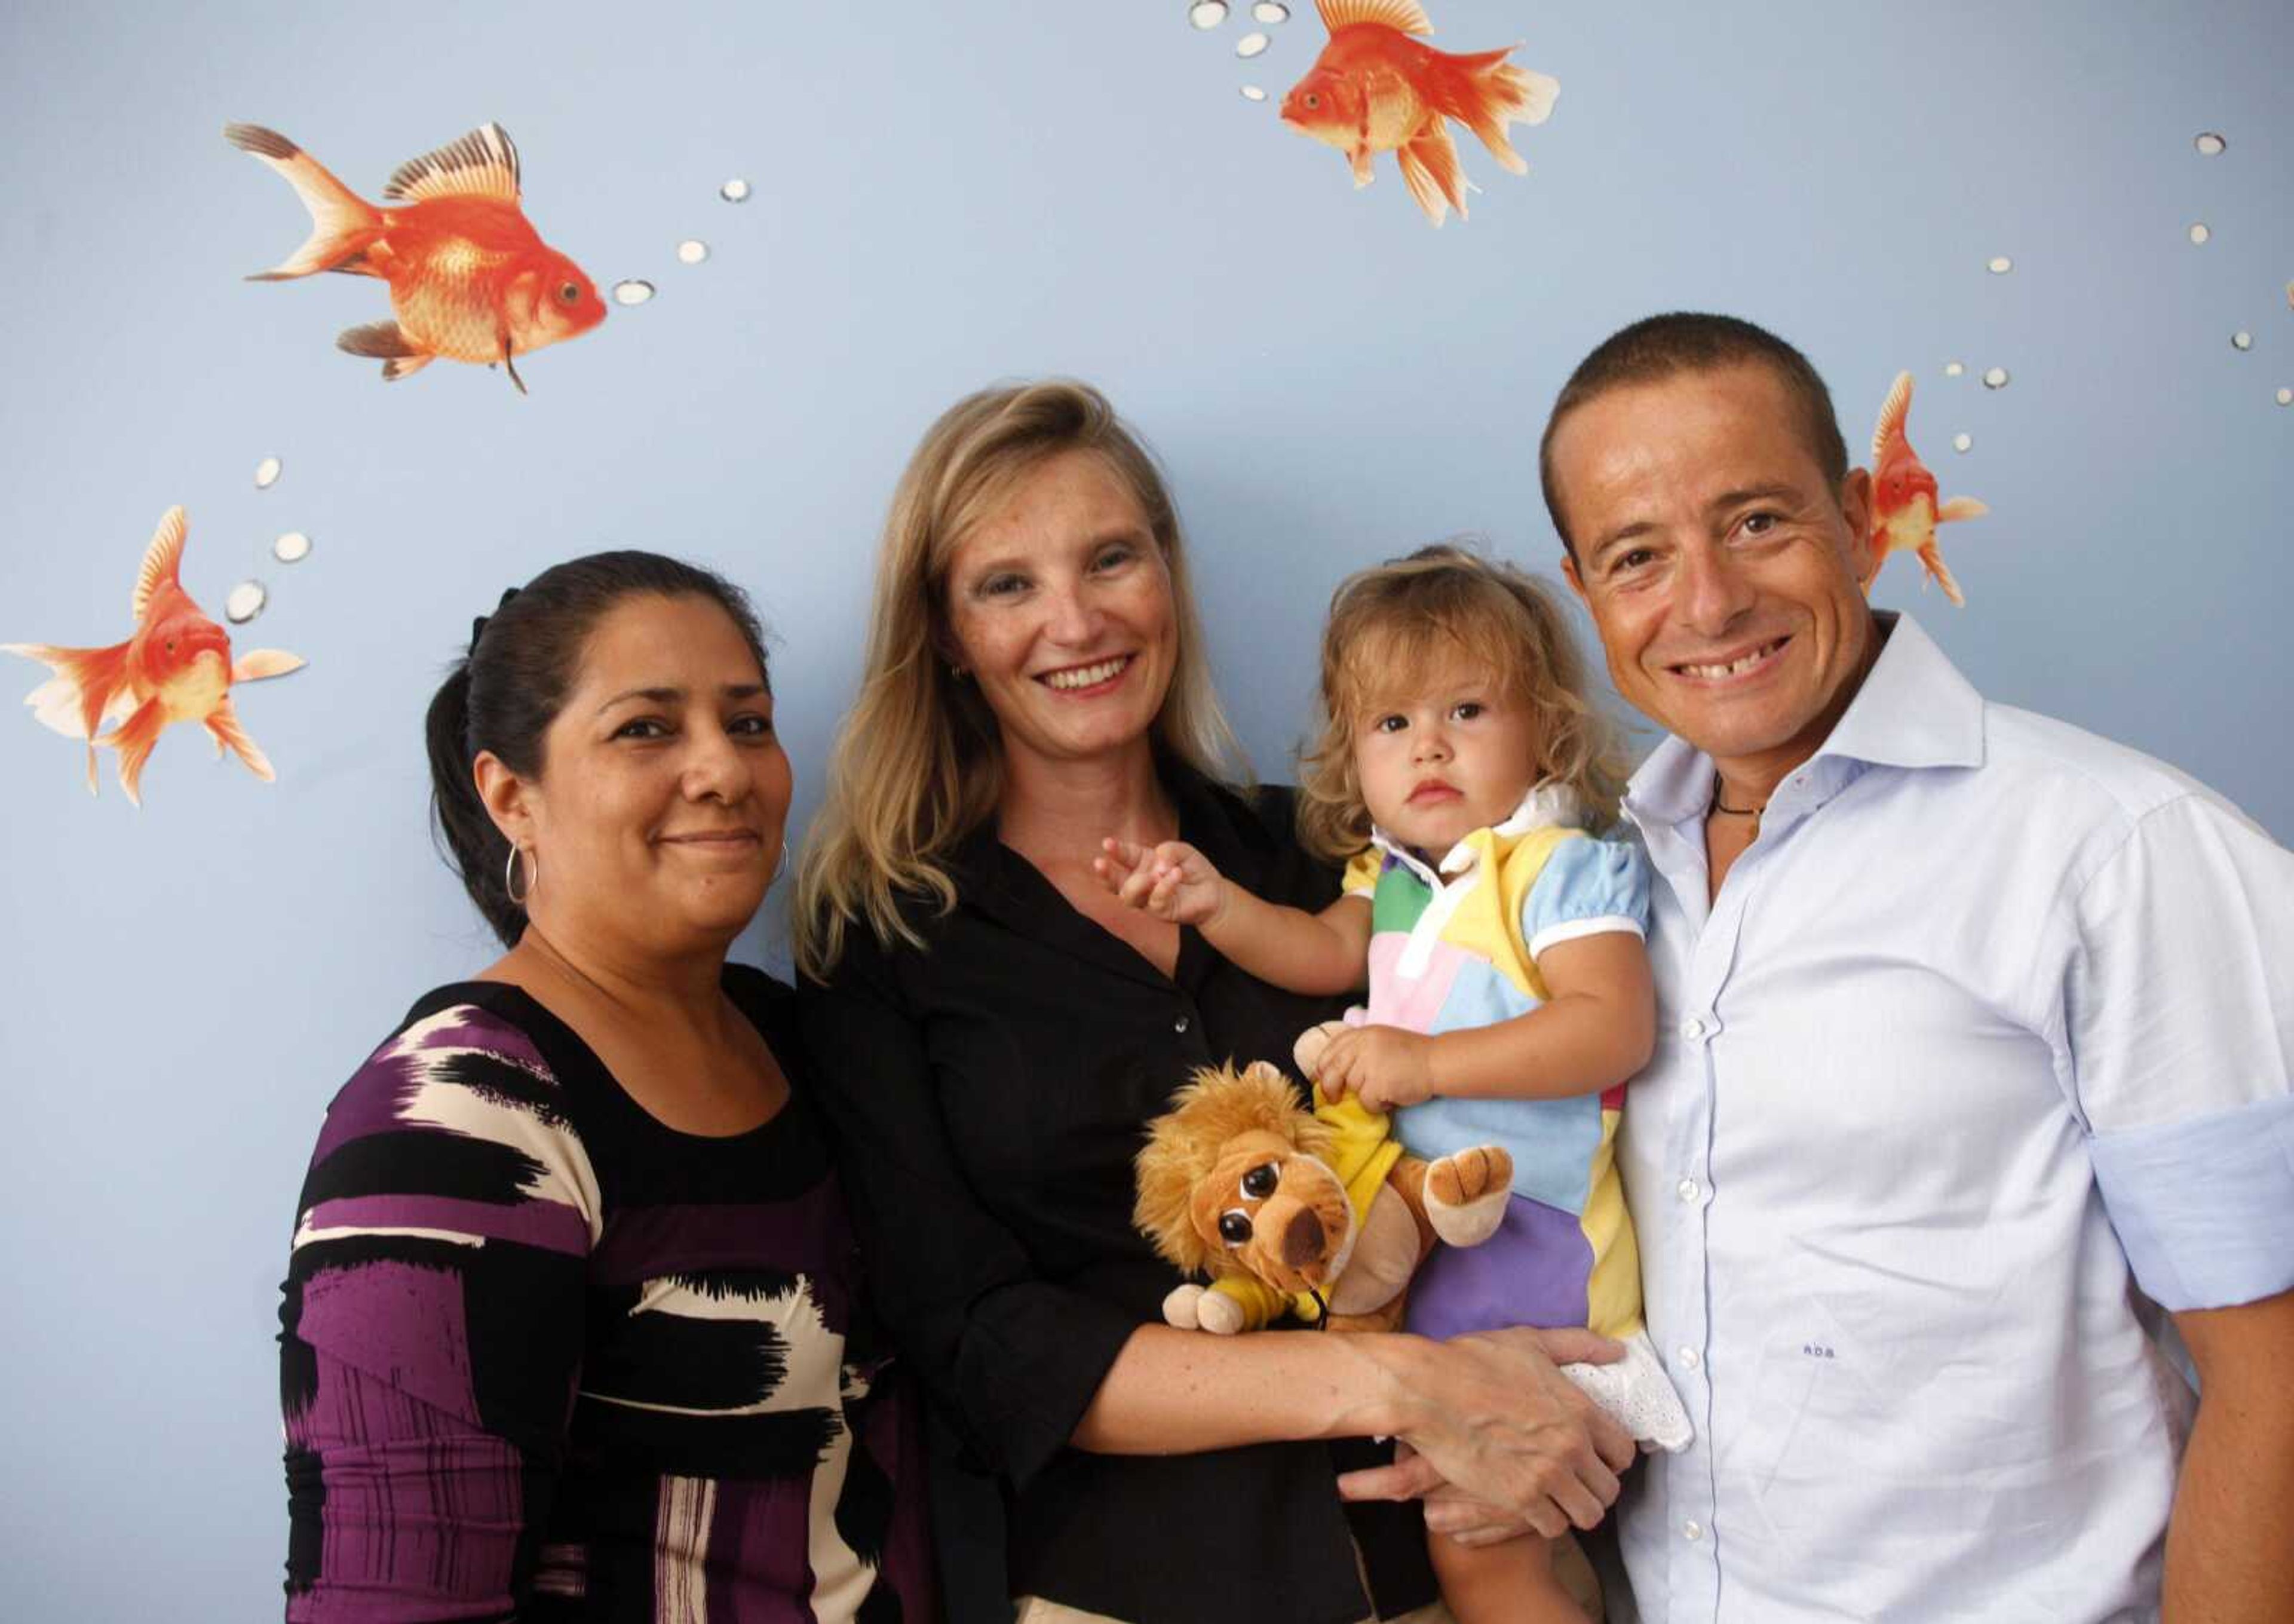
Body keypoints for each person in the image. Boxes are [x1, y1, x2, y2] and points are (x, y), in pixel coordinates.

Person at [1358, 312, 2294, 1622]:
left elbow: (2275, 1379)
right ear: (1585, 592)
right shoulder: (1592, 883)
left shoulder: (2120, 852)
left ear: (1859, 520)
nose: (1708, 600)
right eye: (1640, 555)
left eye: (1755, 522)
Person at [793, 381, 1639, 1624]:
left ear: (1169, 577)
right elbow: (977, 1339)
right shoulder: (884, 942)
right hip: (1126, 1585)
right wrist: (1397, 1384)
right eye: (1007, 583)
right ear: (946, 633)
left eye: (1112, 558)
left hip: (1460, 1540)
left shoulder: (1329, 862)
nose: (1076, 619)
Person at [278, 552, 934, 1621]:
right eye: (647, 728)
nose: (725, 770)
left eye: (750, 722)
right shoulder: (455, 1118)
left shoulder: (799, 1035)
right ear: (511, 797)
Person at [1095, 544, 1693, 1622]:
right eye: (1391, 723)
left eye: (1467, 710)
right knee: (1516, 1548)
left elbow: (1612, 1027)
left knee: (1479, 1551)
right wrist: (1214, 904)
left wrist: (1424, 1066)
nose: (1428, 746)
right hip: (1442, 1279)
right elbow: (1322, 955)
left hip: (1542, 1271)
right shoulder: (1391, 880)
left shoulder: (1556, 867)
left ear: (1546, 730)